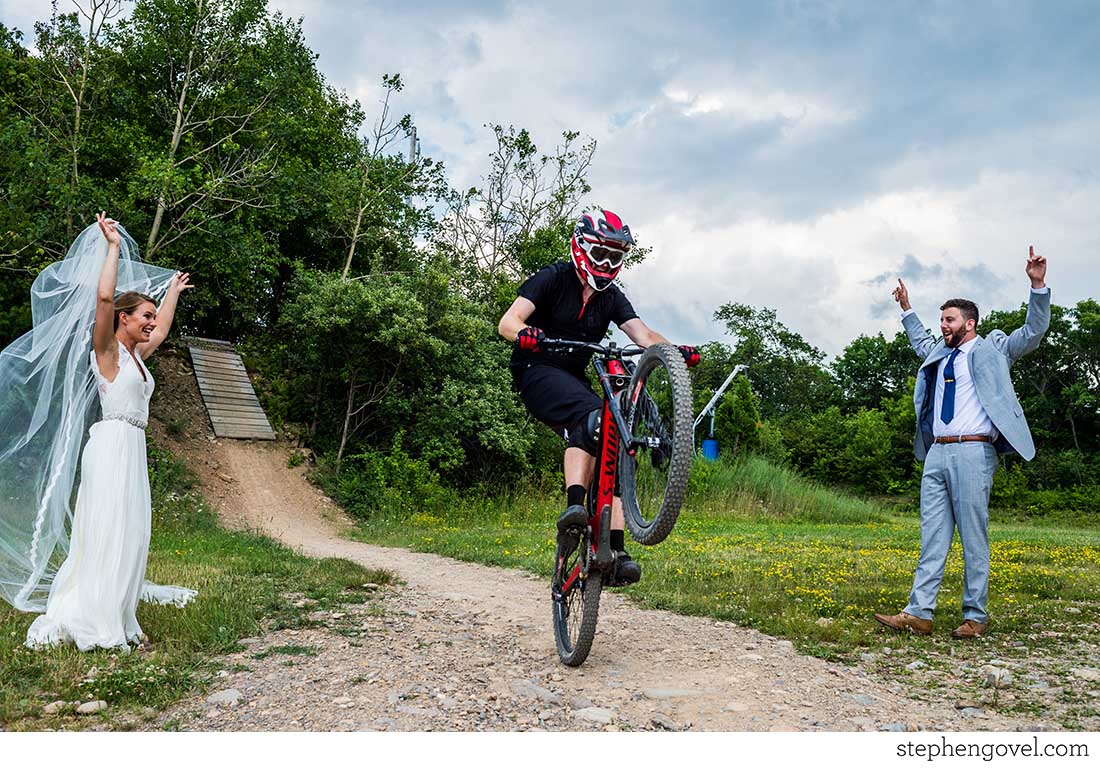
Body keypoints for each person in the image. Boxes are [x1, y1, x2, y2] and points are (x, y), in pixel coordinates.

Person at [1, 213, 197, 651]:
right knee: (107, 530)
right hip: (109, 445)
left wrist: (173, 297)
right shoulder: (106, 351)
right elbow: (104, 297)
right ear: (123, 319)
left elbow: (162, 328)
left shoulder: (139, 356)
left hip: (132, 446)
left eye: (150, 316)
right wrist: (112, 248)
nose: (150, 322)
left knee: (131, 532)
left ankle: (121, 614)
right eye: (143, 316)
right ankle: (98, 619)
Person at [497, 208, 699, 586]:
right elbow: (508, 322)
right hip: (536, 371)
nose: (607, 264)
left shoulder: (611, 298)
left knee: (616, 433)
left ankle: (617, 550)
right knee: (592, 416)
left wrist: (674, 352)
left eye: (615, 257)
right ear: (581, 248)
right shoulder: (553, 278)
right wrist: (526, 334)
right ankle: (575, 506)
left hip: (573, 377)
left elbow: (644, 336)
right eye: (600, 254)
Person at [875, 247, 1049, 639]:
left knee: (973, 535)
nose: (943, 326)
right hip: (937, 452)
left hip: (974, 450)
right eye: (941, 320)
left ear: (969, 324)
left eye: (949, 320)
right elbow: (919, 341)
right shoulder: (939, 352)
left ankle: (975, 616)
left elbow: (1033, 332)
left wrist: (1037, 286)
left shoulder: (995, 349)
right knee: (932, 535)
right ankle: (919, 613)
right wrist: (906, 309)